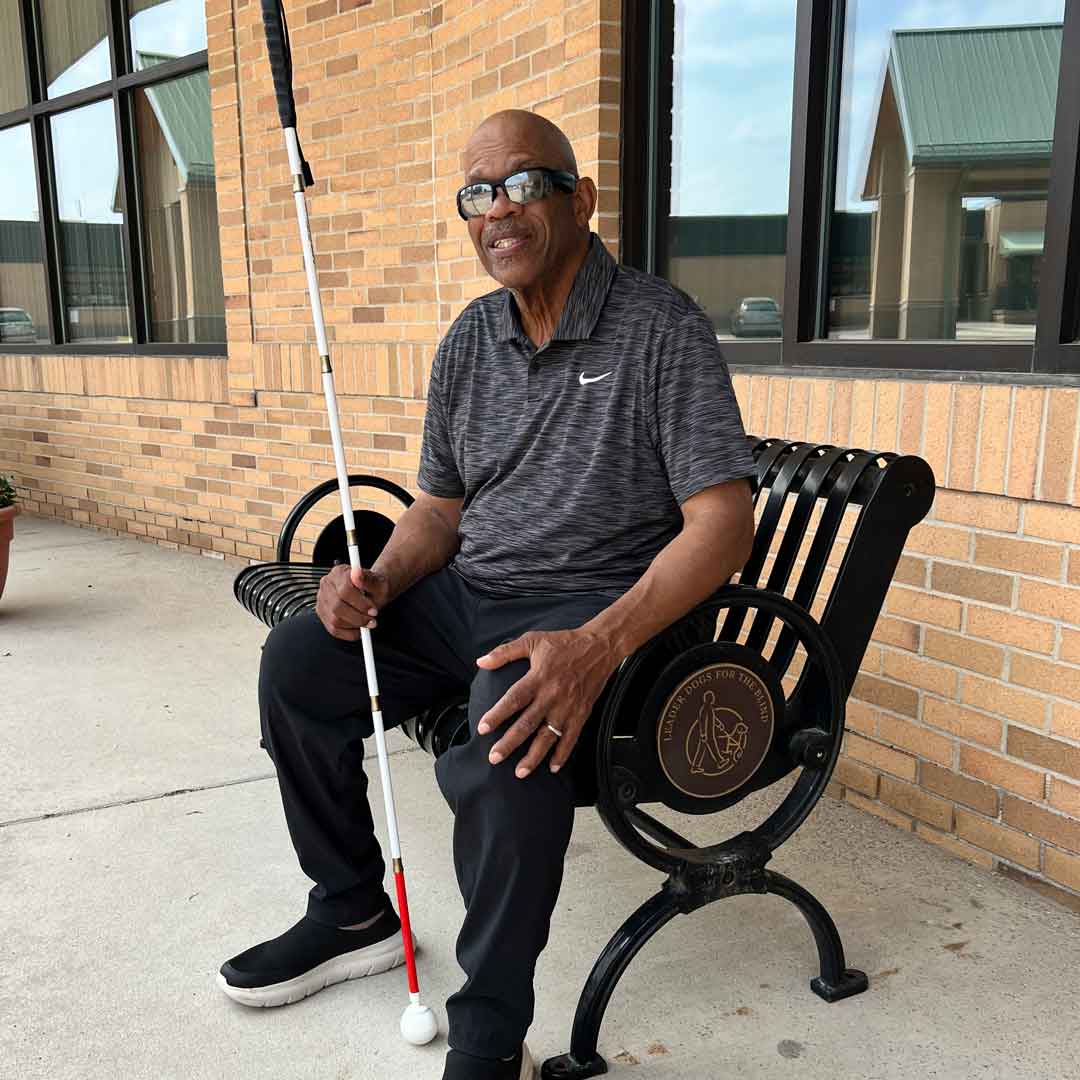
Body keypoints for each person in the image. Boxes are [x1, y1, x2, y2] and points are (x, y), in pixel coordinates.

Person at [218, 109, 757, 1080]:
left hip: (588, 609)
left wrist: (599, 645)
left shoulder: (658, 327)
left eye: (521, 184)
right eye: (476, 192)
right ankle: (350, 908)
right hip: (470, 594)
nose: (496, 210)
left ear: (580, 198)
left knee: (505, 755)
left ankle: (486, 1038)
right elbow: (437, 508)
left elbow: (722, 523)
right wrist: (377, 578)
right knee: (299, 662)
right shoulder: (471, 339)